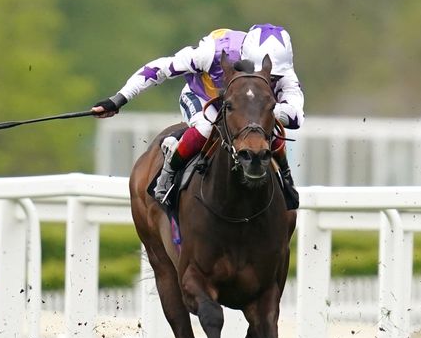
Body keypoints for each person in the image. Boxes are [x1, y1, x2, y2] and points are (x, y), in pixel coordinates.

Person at [92, 25, 304, 206]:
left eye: (273, 77)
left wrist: (257, 109)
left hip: (245, 108)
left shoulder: (282, 70)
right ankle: (166, 176)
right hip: (202, 98)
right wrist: (118, 99)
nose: (270, 80)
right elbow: (159, 69)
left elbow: (296, 116)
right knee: (205, 129)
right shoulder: (210, 52)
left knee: (263, 126)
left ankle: (285, 176)